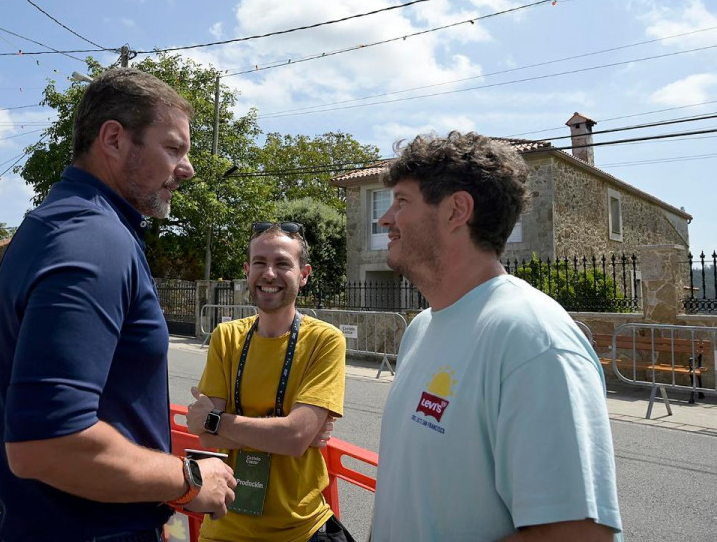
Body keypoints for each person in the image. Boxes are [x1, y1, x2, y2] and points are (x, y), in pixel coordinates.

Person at [0, 68, 236, 542]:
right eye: (173, 148)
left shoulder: (60, 224)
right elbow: (46, 444)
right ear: (114, 139)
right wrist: (188, 480)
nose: (187, 169)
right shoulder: (93, 240)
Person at [370, 132, 622, 541]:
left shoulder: (532, 337)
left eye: (401, 202)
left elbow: (577, 534)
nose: (385, 219)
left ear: (456, 210)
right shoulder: (421, 328)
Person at [186, 222, 352, 542]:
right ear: (248, 271)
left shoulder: (325, 341)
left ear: (303, 274)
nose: (269, 274)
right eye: (260, 263)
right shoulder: (226, 337)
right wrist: (280, 430)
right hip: (224, 529)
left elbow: (293, 438)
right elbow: (207, 439)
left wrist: (215, 419)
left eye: (282, 264)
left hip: (299, 529)